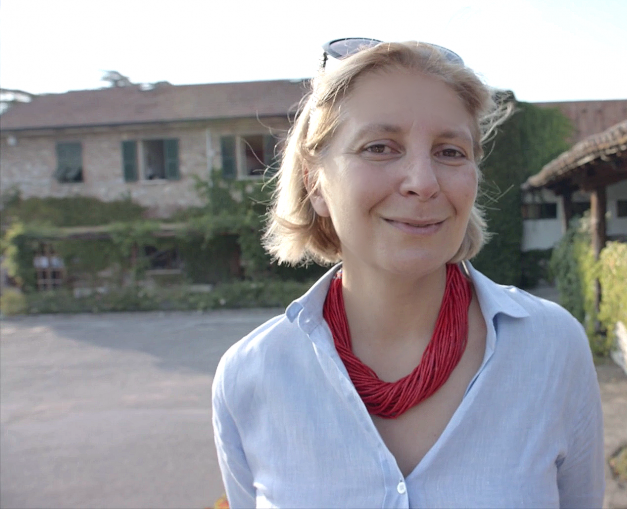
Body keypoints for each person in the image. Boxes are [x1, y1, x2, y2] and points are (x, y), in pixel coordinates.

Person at [212, 39, 605, 508]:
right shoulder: (249, 377)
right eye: (379, 147)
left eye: (450, 152)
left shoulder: (553, 348)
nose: (422, 181)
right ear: (316, 183)